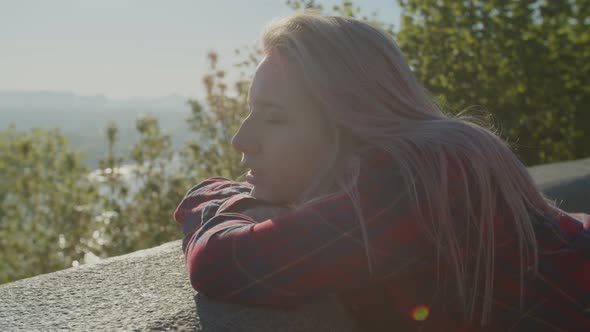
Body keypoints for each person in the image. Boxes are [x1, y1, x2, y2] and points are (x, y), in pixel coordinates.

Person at [174, 13, 590, 331]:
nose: (241, 138)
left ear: (350, 121)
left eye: (275, 117)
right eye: (250, 112)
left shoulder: (418, 178)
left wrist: (216, 199)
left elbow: (222, 265)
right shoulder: (432, 161)